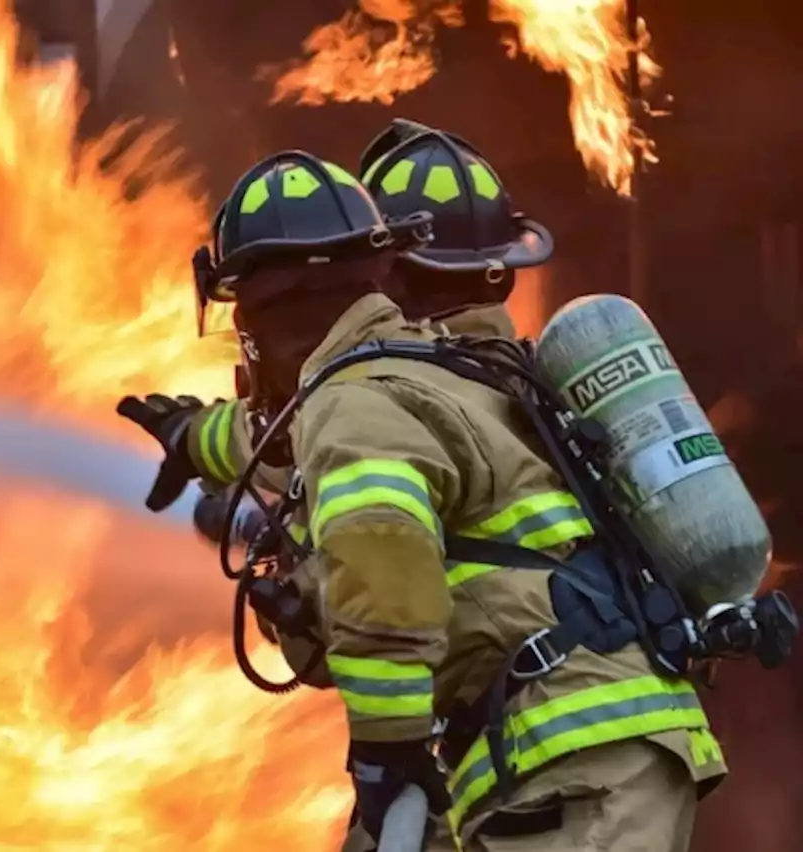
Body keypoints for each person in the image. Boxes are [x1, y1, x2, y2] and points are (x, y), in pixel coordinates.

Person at [118, 131, 725, 852]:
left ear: (258, 318)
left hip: (567, 754)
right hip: (559, 746)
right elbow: (278, 442)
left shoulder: (357, 403)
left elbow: (381, 575)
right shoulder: (434, 377)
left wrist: (386, 753)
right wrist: (195, 441)